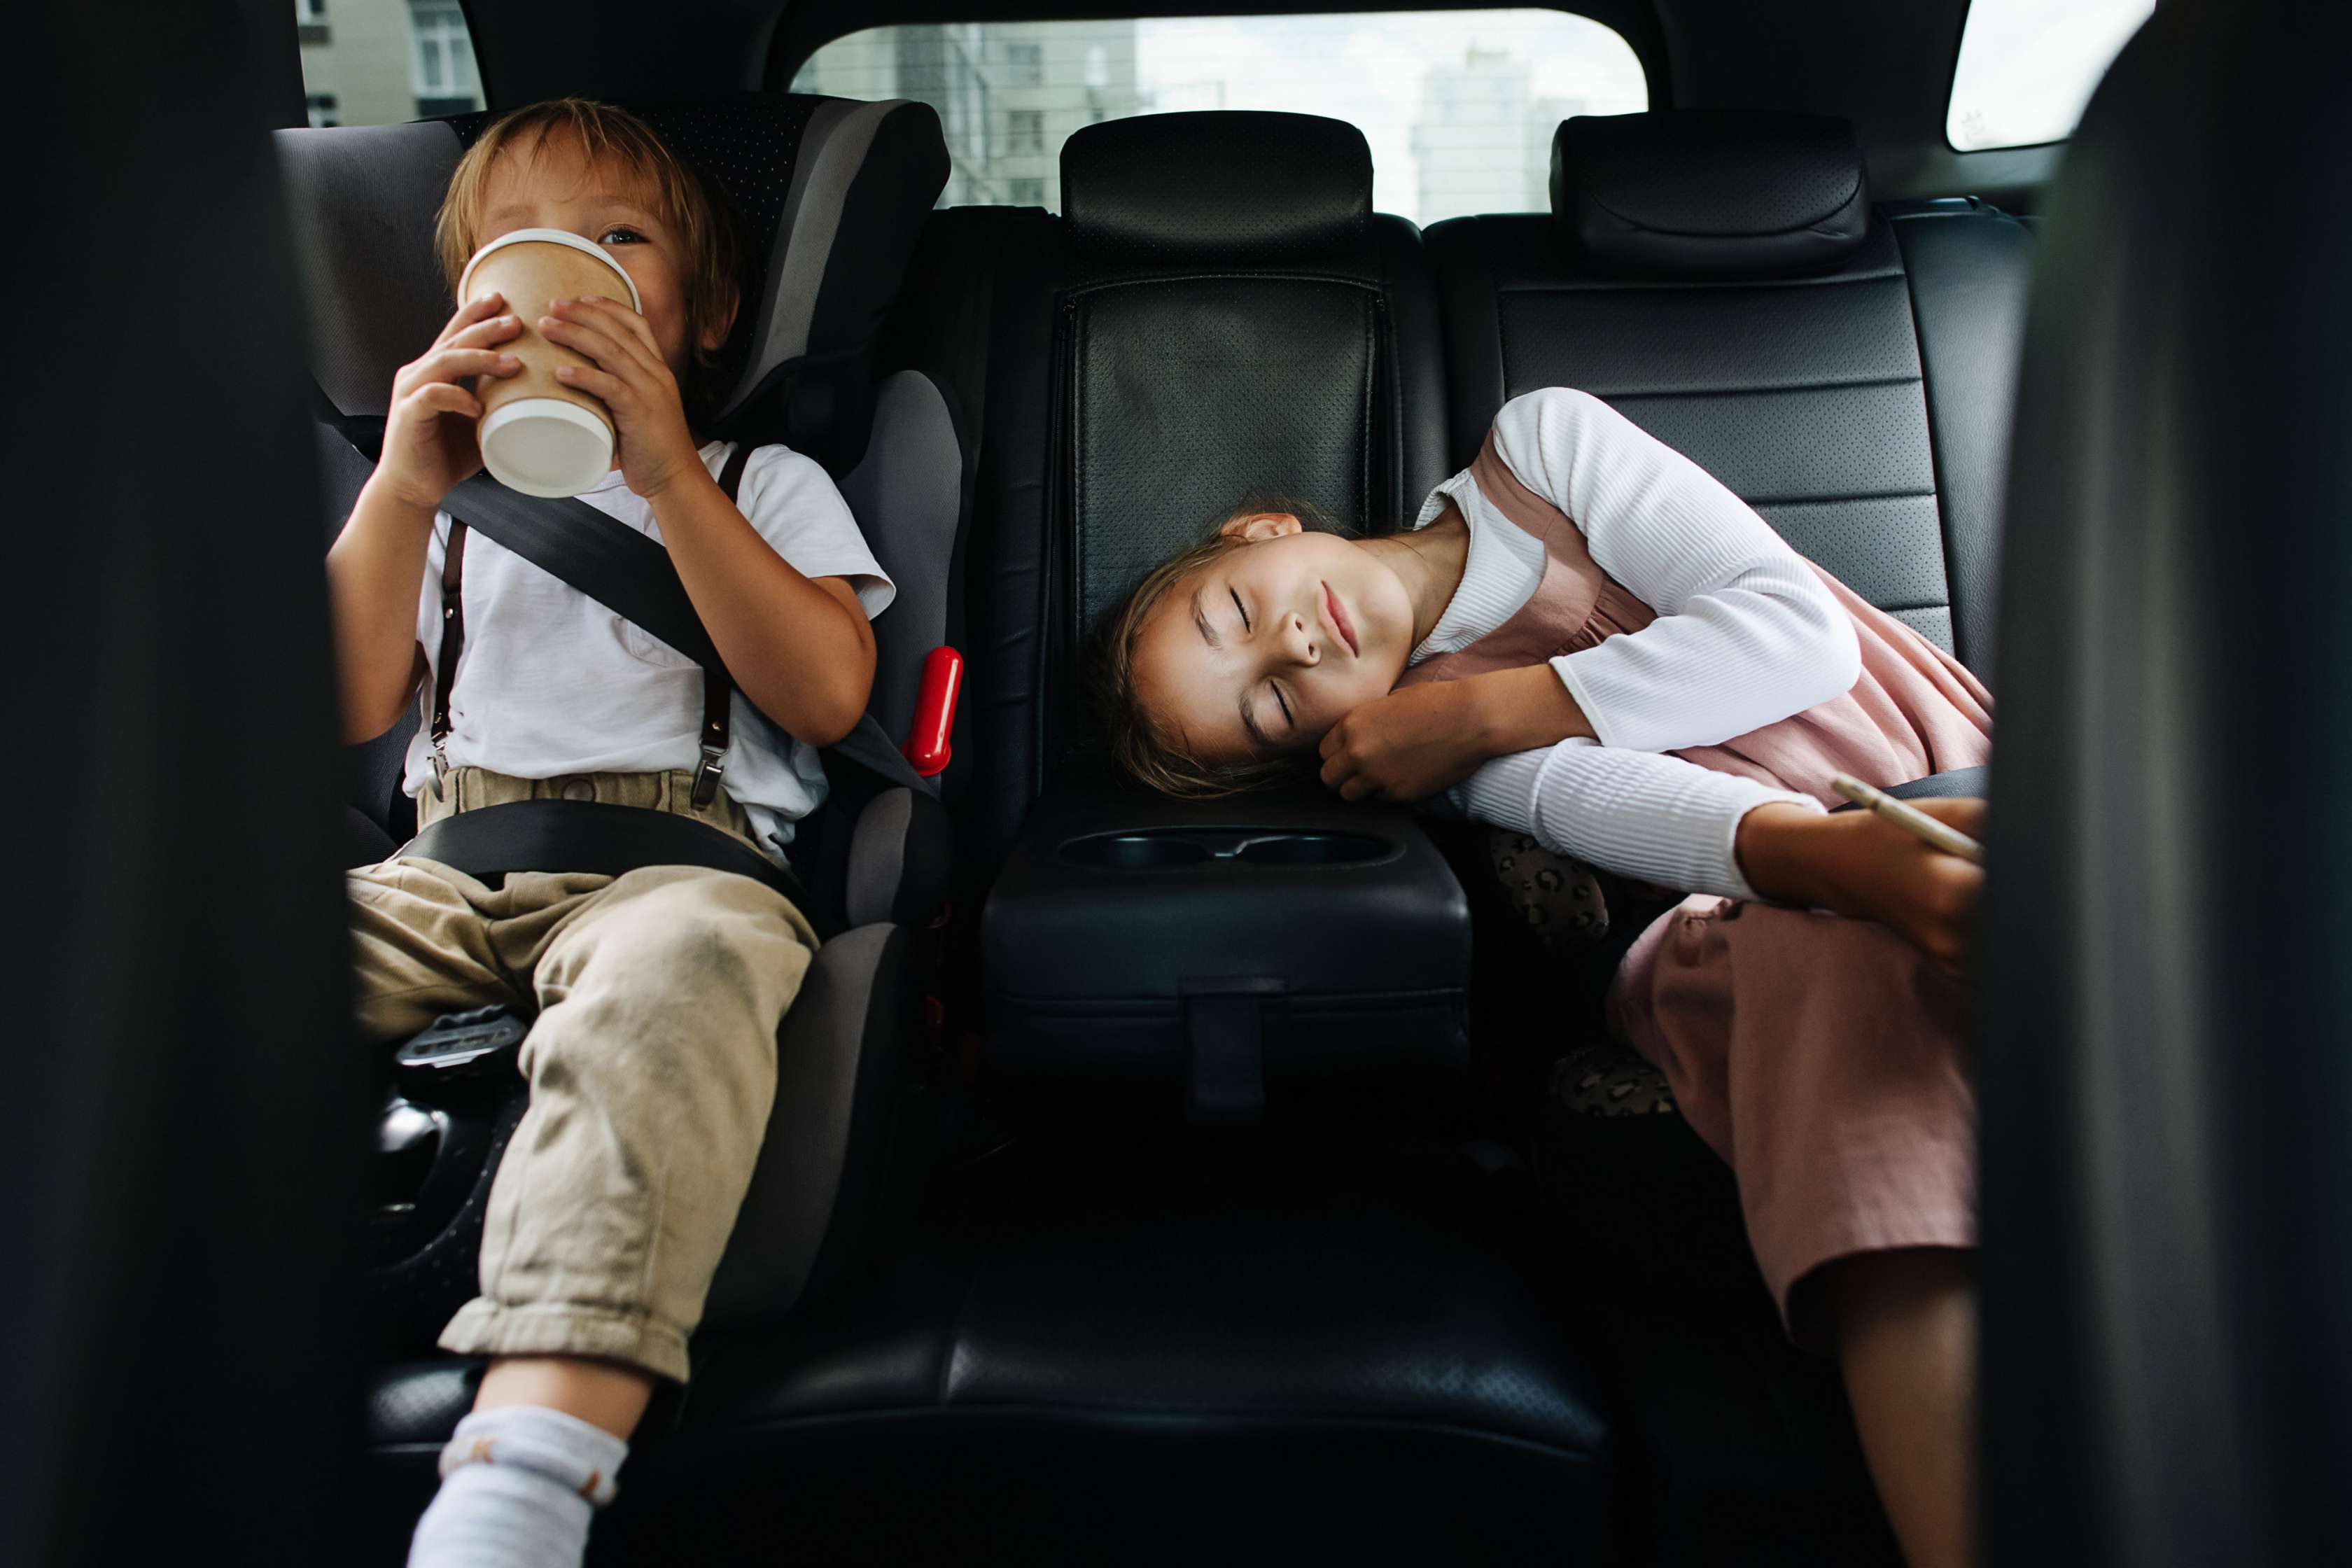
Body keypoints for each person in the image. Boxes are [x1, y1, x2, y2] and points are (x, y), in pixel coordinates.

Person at [1090, 386, 1992, 1568]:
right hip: (1743, 893)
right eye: (1271, 704)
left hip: (1946, 763)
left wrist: (1486, 710)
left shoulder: (1541, 450)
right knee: (1827, 963)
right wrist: (1841, 862)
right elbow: (1641, 813)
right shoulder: (1418, 747)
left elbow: (1794, 635)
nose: (1294, 647)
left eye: (1238, 614)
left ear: (1259, 529)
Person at [325, 99, 894, 1568]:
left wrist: (668, 475)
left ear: (708, 317)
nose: (560, 274)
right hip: (440, 869)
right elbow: (342, 701)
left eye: (613, 242)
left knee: (677, 982)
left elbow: (828, 690)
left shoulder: (760, 485)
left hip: (674, 872)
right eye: (516, 255)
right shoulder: (441, 509)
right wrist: (400, 482)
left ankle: (528, 1466)